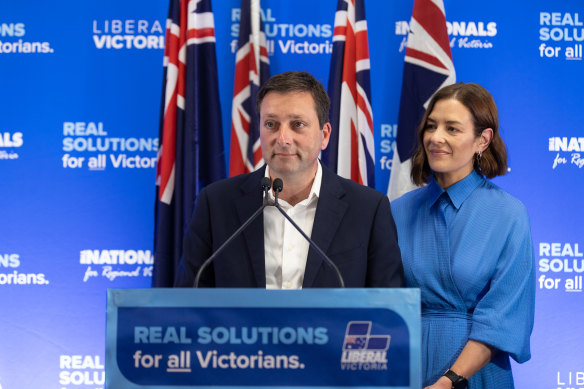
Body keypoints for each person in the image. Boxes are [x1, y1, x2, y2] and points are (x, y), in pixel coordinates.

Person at [175, 70, 404, 289]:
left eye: (297, 125)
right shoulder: (215, 204)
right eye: (271, 124)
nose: (283, 139)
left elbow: (387, 309)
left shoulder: (368, 209)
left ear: (324, 136)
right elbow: (188, 301)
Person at [391, 82, 535, 388]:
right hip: (406, 371)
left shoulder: (508, 214)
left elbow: (503, 317)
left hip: (477, 374)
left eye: (452, 129)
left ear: (482, 140)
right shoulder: (397, 211)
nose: (436, 137)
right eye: (431, 126)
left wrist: (450, 380)